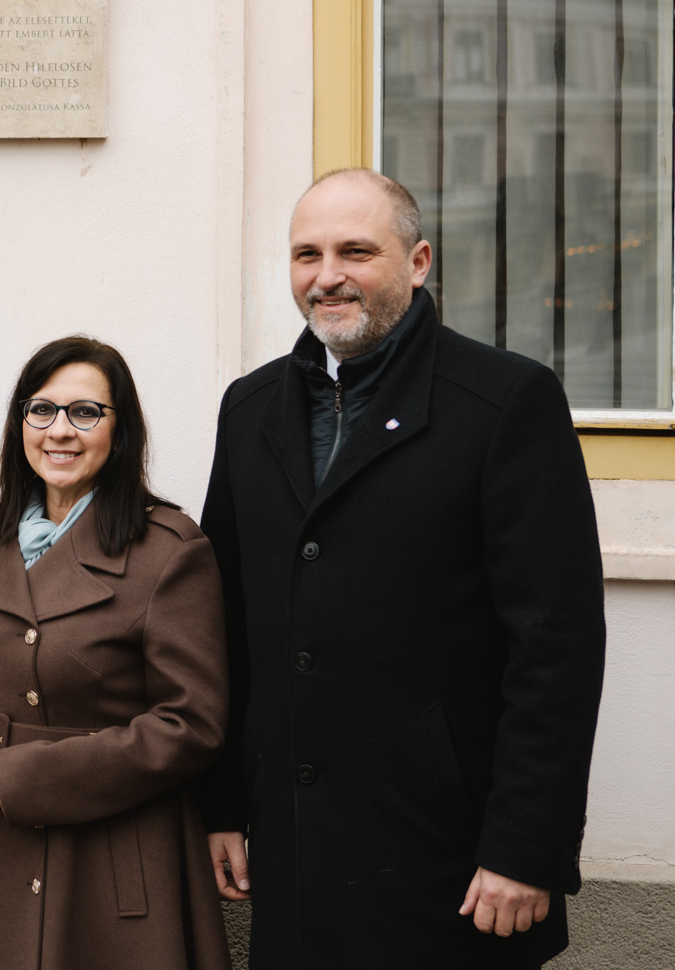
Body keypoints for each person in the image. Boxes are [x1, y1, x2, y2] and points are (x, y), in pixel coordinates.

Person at [199, 169, 607, 968]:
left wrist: (526, 846)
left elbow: (555, 647)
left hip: (446, 859)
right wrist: (219, 804)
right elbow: (222, 627)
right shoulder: (250, 411)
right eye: (306, 254)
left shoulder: (505, 401)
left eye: (356, 250)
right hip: (292, 850)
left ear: (418, 261)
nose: (327, 276)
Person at [0, 337, 230, 970]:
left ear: (120, 431)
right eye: (41, 410)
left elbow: (192, 723)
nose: (59, 431)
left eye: (85, 412)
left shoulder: (169, 548)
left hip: (112, 858)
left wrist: (25, 776)